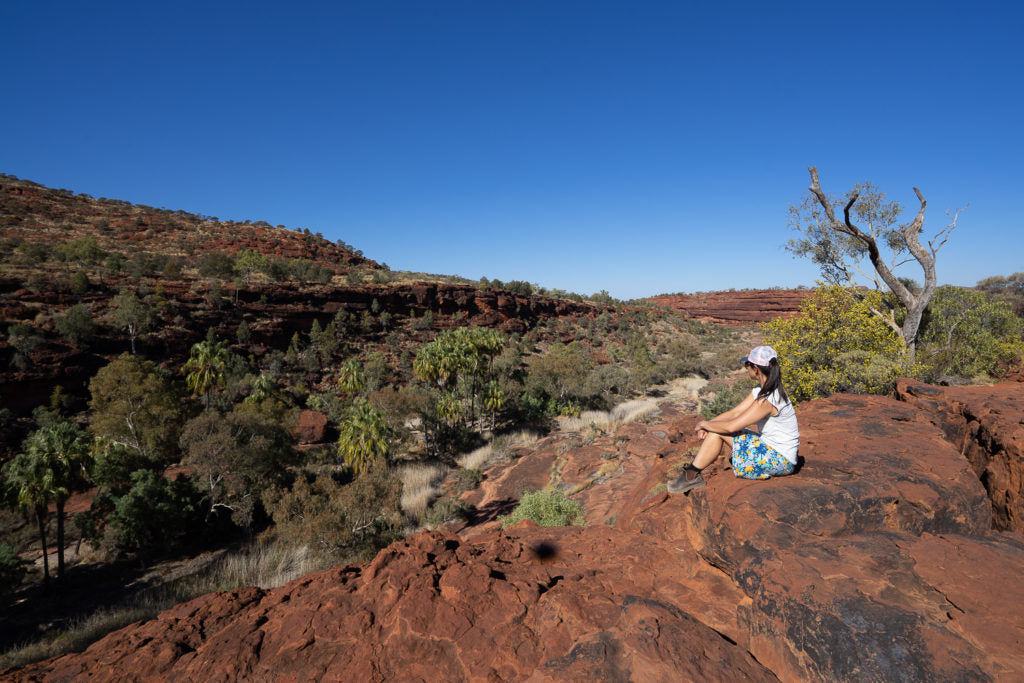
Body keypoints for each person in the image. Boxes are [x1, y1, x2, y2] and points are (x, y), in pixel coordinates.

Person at [668, 345, 799, 494]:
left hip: (781, 460)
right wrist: (709, 425)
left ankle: (691, 475)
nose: (746, 368)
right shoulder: (762, 390)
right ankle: (691, 474)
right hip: (772, 448)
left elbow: (730, 427)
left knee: (719, 432)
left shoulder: (767, 400)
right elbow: (735, 412)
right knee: (717, 429)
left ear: (755, 368)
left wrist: (704, 424)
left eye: (747, 365)